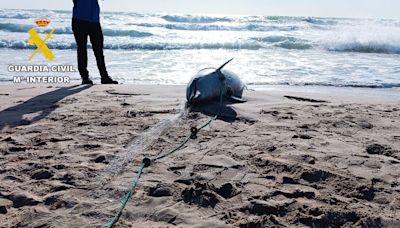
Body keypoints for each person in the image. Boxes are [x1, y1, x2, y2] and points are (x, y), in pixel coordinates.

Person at [72, 0, 118, 84]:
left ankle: (104, 77)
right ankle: (85, 77)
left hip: (94, 21)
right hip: (79, 20)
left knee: (98, 50)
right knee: (82, 48)